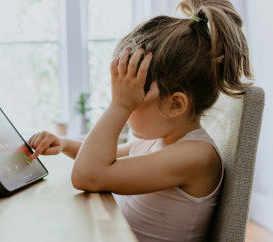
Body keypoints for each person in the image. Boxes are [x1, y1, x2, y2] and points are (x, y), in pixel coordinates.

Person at [28, 0, 252, 240]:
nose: (123, 113)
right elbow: (105, 155)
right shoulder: (160, 142)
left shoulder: (196, 156)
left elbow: (88, 175)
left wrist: (120, 105)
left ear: (175, 105)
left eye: (131, 100)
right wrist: (63, 143)